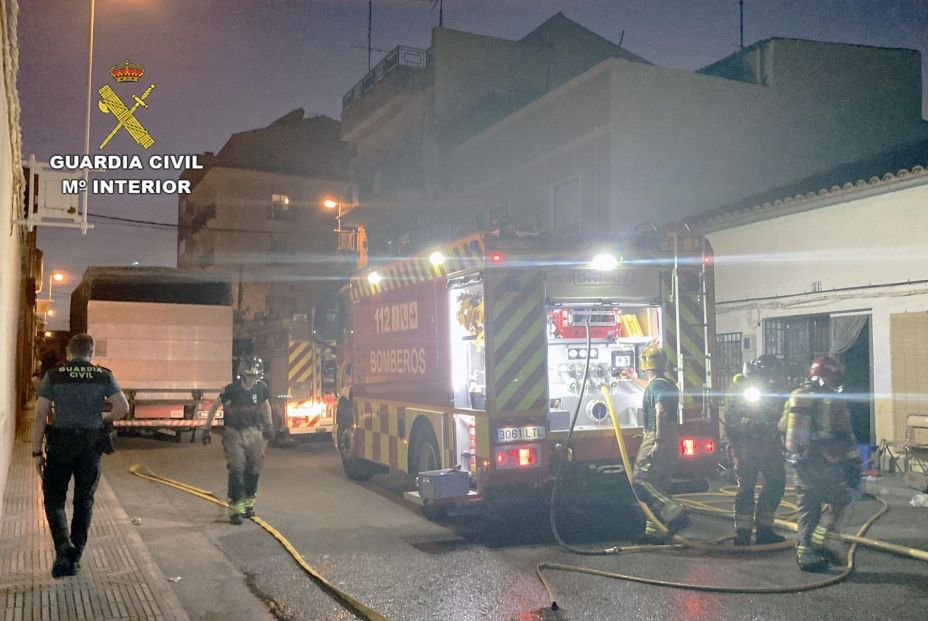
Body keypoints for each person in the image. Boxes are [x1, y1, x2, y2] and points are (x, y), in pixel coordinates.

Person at [31, 333, 129, 578]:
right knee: (83, 501)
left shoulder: (54, 375)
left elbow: (40, 415)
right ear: (91, 353)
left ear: (68, 353)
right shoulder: (103, 375)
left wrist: (36, 452)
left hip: (61, 444)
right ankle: (75, 557)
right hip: (90, 444)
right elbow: (122, 408)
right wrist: (102, 421)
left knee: (54, 500)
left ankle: (64, 547)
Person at [783, 355, 860, 572]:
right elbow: (845, 433)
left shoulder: (798, 396)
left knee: (807, 506)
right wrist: (854, 464)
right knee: (845, 498)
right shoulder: (832, 399)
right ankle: (824, 541)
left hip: (800, 461)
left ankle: (806, 553)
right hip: (826, 461)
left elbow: (783, 428)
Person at [723, 354, 787, 546]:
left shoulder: (775, 389)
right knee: (746, 487)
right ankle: (742, 533)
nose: (771, 379)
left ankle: (765, 530)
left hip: (770, 444)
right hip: (747, 446)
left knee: (776, 483)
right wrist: (755, 426)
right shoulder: (741, 389)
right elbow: (732, 420)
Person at [202, 356, 273, 524]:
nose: (252, 380)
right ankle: (235, 510)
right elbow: (215, 406)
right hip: (233, 432)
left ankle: (248, 504)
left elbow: (265, 405)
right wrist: (207, 428)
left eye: (255, 376)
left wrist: (269, 425)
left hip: (253, 432)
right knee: (237, 467)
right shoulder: (231, 390)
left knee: (254, 467)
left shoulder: (261, 388)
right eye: (250, 376)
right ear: (242, 374)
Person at [634, 344, 686, 543]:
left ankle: (675, 512)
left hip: (658, 435)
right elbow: (650, 388)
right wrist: (631, 378)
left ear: (645, 364)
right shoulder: (665, 383)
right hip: (671, 435)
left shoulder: (656, 386)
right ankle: (655, 532)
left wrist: (657, 440)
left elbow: (661, 411)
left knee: (640, 480)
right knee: (659, 484)